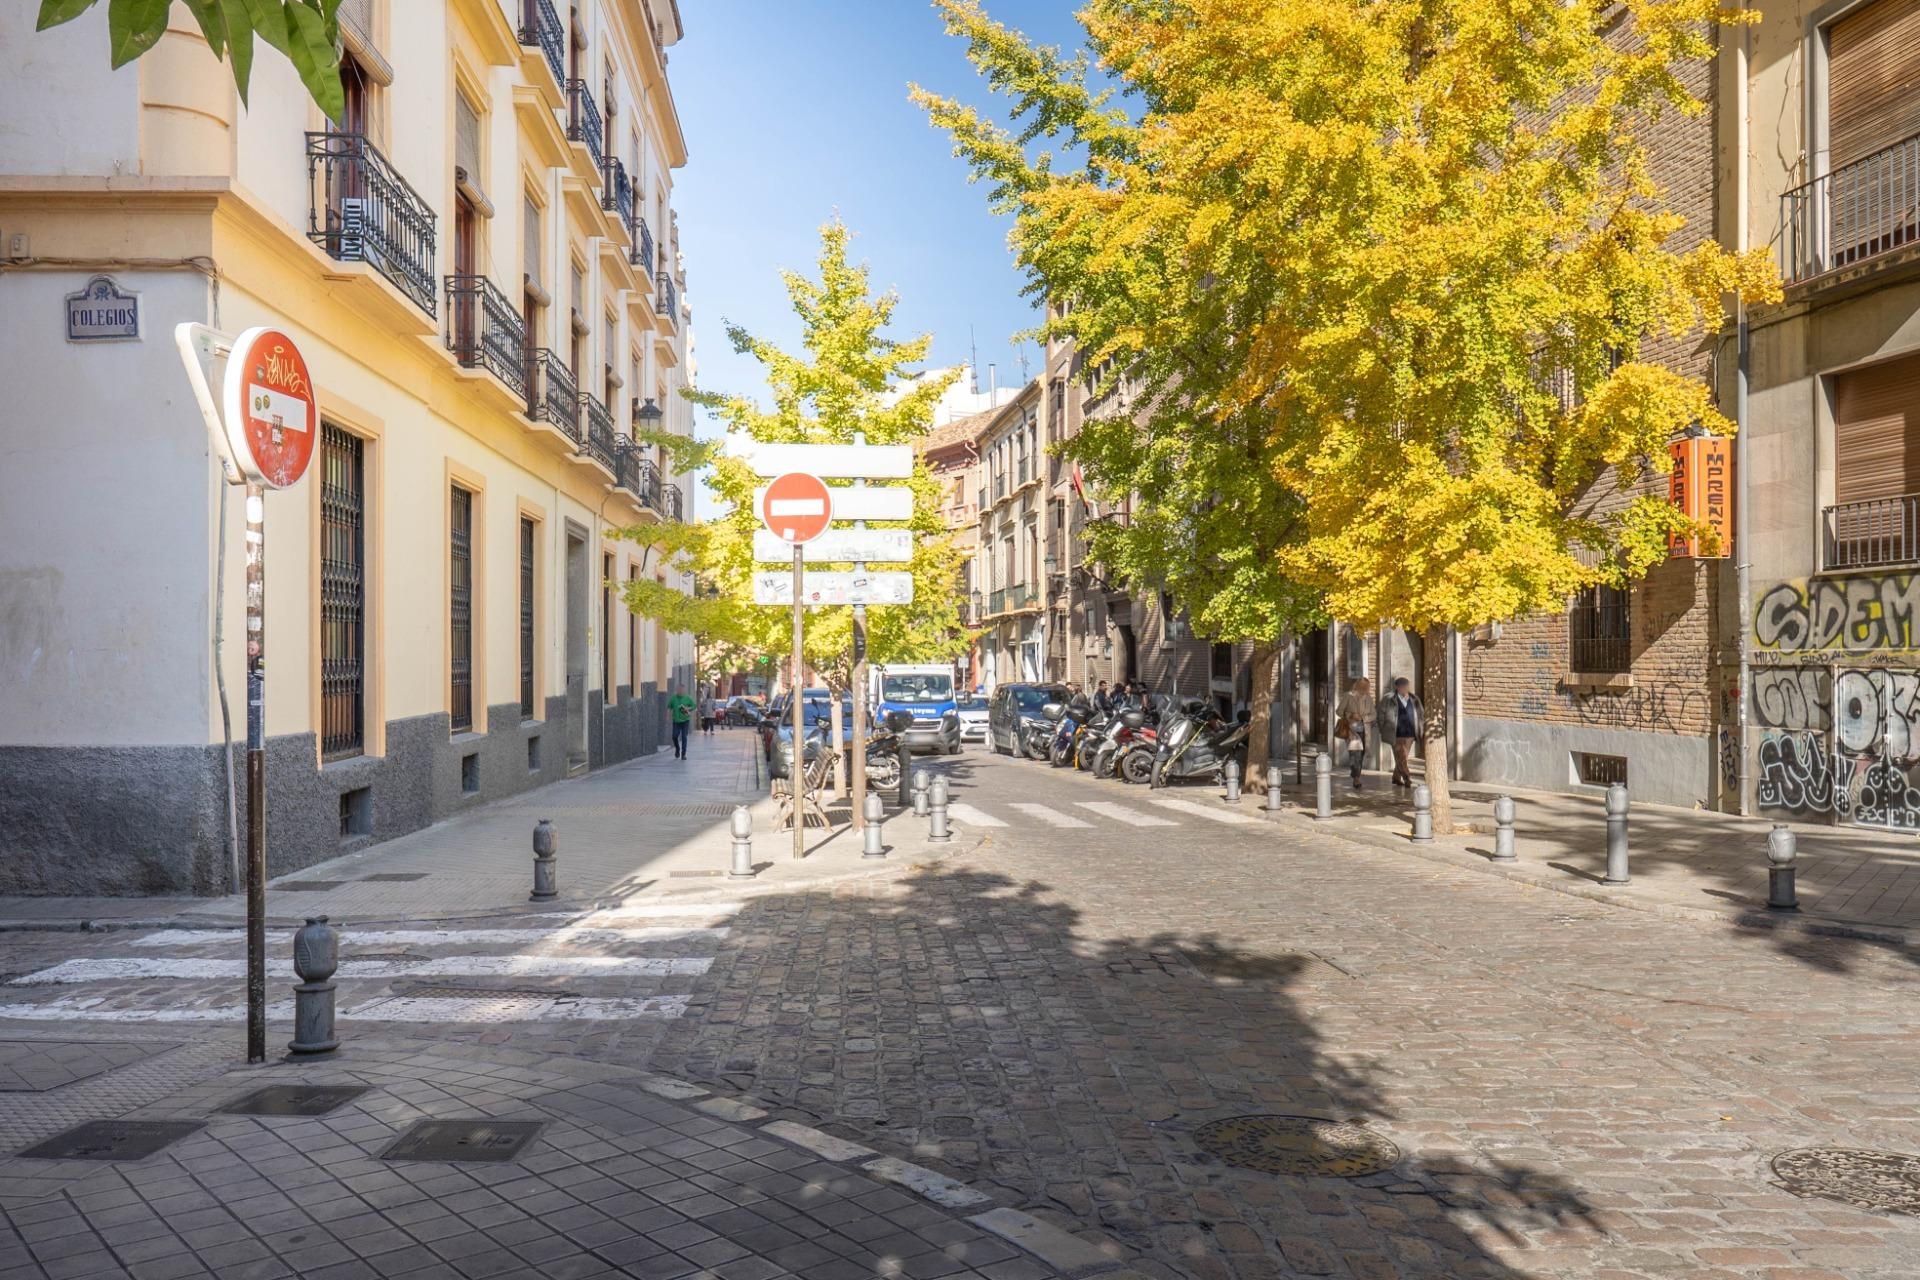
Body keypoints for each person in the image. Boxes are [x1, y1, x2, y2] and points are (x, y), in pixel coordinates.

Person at [1380, 677, 1423, 788]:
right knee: (1401, 757)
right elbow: (1380, 714)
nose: (1404, 688)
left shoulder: (1414, 699)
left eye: (1406, 686)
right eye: (1401, 686)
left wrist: (1420, 729)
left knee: (1402, 757)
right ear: (1397, 687)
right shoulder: (1388, 699)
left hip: (1410, 734)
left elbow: (1420, 715)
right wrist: (1383, 729)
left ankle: (1396, 777)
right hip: (1395, 733)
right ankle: (1407, 778)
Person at [1335, 677, 1373, 790]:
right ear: (1357, 686)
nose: (1364, 689)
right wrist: (1350, 715)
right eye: (1362, 687)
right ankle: (1356, 778)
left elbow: (1373, 714)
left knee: (1361, 755)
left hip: (1365, 731)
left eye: (1366, 687)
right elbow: (1339, 711)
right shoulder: (1348, 696)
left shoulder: (1368, 698)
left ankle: (1356, 775)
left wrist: (1364, 718)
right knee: (1354, 754)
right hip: (1351, 731)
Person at [668, 685, 695, 759]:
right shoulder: (673, 698)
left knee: (684, 737)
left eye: (682, 690)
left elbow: (694, 706)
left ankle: (683, 754)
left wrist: (688, 708)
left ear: (684, 690)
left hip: (685, 721)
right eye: (679, 690)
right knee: (674, 736)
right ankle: (677, 749)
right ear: (677, 690)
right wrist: (668, 716)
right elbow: (669, 707)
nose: (680, 691)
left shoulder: (688, 698)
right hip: (676, 721)